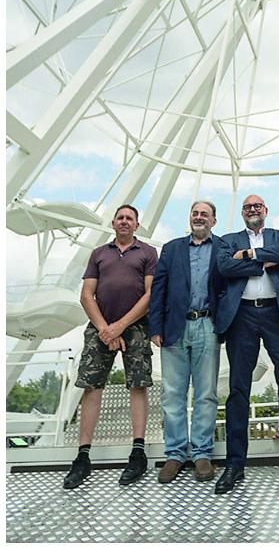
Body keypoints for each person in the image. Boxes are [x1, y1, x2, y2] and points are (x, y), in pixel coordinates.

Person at [213, 194, 279, 493]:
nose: (253, 210)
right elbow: (224, 268)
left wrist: (247, 256)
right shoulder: (229, 240)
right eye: (247, 207)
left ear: (266, 211)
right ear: (242, 213)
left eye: (257, 206)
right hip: (242, 314)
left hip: (276, 313)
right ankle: (235, 464)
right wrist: (260, 261)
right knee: (238, 387)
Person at [63, 205, 158, 490]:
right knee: (92, 387)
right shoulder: (98, 254)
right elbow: (86, 294)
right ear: (113, 223)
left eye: (130, 218)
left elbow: (150, 293)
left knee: (137, 385)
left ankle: (138, 451)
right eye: (120, 218)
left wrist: (120, 326)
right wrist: (106, 328)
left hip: (137, 327)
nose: (124, 221)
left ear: (137, 225)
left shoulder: (147, 253)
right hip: (99, 328)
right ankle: (83, 456)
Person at [147, 201, 220, 483]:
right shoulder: (172, 248)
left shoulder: (221, 247)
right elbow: (159, 289)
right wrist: (156, 326)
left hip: (207, 325)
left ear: (213, 221)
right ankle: (175, 454)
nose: (199, 217)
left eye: (204, 214)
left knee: (206, 393)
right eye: (195, 213)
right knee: (172, 393)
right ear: (190, 218)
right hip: (175, 326)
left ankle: (202, 453)